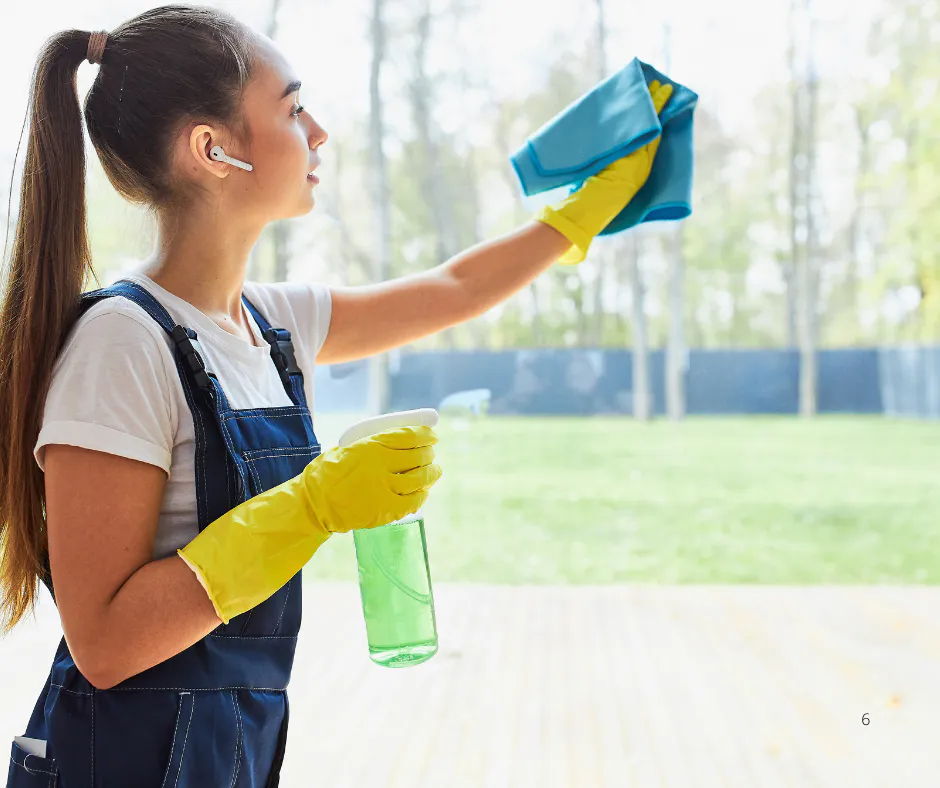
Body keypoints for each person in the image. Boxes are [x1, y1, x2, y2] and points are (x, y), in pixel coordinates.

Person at [0, 5, 672, 786]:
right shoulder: (123, 344)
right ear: (213, 149)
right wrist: (311, 506)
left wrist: (576, 217)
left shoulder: (271, 323)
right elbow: (106, 646)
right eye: (291, 109)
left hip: (234, 746)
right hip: (119, 759)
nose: (317, 132)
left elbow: (450, 290)